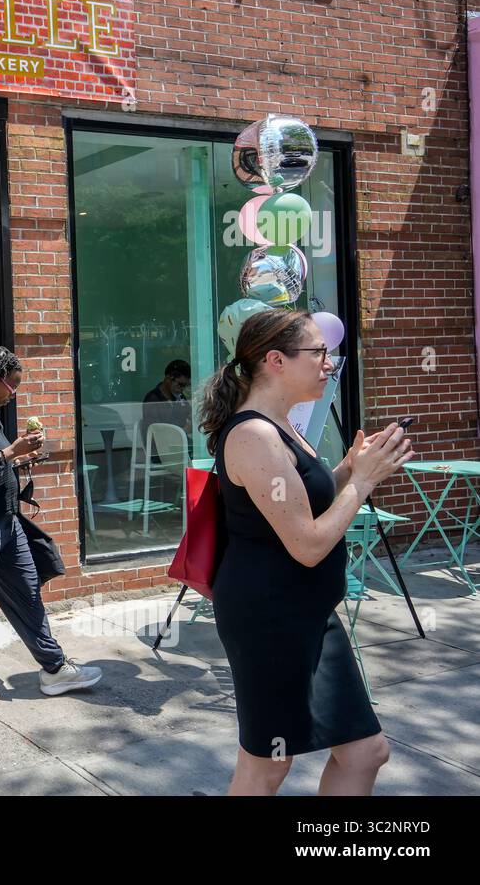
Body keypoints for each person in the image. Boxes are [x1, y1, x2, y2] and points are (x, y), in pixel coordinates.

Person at [200, 309, 408, 795]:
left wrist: (346, 470)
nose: (329, 363)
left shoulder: (282, 425)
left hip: (308, 613)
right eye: (318, 353)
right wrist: (363, 481)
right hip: (269, 620)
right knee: (269, 762)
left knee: (365, 751)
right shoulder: (253, 435)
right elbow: (309, 544)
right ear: (276, 360)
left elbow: (300, 504)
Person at [0, 346, 102, 705]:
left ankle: (54, 669)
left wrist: (21, 457)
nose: (15, 393)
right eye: (12, 386)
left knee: (27, 594)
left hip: (4, 521)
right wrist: (12, 451)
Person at [141, 359, 192, 464]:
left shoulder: (179, 397)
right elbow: (157, 436)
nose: (182, 389)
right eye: (180, 385)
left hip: (179, 447)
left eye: (185, 386)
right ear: (169, 379)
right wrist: (184, 430)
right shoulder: (153, 400)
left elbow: (192, 416)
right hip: (162, 452)